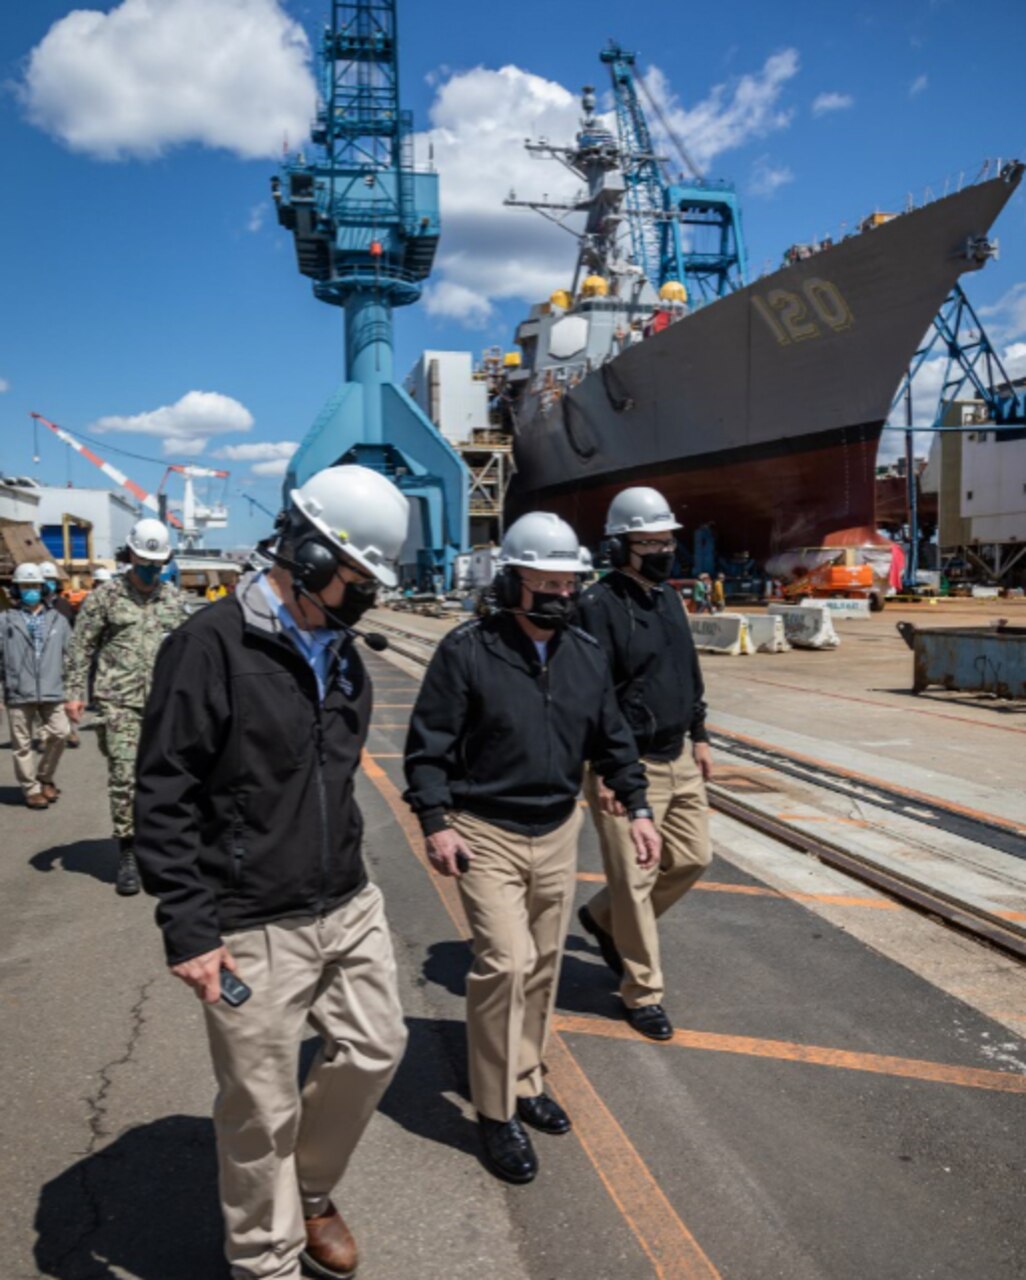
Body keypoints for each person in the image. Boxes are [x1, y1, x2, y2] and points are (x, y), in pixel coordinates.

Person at [134, 465, 411, 1280]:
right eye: (357, 578)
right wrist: (188, 926)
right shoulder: (207, 647)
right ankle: (266, 1259)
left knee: (375, 1051)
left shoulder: (347, 655)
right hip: (249, 917)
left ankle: (312, 1191)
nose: (365, 597)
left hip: (345, 901)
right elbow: (165, 790)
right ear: (307, 554)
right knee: (260, 1109)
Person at [403, 512, 660, 1185]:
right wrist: (436, 820)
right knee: (506, 965)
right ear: (512, 582)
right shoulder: (466, 651)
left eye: (567, 583)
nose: (558, 595)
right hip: (484, 831)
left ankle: (526, 1077)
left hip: (555, 830)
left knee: (543, 965)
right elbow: (426, 747)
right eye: (543, 583)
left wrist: (636, 804)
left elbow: (611, 739)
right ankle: (495, 1113)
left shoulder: (584, 652)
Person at [576, 486, 713, 1042]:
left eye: (666, 540)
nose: (663, 550)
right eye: (649, 542)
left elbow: (688, 671)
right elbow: (591, 692)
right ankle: (643, 992)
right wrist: (608, 768)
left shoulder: (669, 599)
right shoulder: (598, 606)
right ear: (621, 546)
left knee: (693, 858)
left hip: (678, 752)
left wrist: (700, 734)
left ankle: (602, 918)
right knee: (634, 881)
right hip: (625, 763)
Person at [64, 519, 188, 895]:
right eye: (145, 560)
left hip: (165, 706)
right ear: (131, 554)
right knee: (124, 777)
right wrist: (74, 691)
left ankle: (164, 848)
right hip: (119, 702)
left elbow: (192, 651)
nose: (151, 569)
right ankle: (128, 852)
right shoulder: (105, 598)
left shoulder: (174, 600)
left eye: (158, 563)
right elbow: (81, 646)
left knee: (171, 778)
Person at [0, 563, 72, 809]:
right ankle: (31, 789)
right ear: (17, 590)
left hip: (52, 689)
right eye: (25, 586)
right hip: (19, 692)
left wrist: (74, 692)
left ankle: (45, 776)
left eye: (34, 585)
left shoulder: (58, 621)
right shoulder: (5, 620)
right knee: (22, 745)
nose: (30, 590)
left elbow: (71, 657)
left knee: (60, 733)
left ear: (42, 588)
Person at [40, 560, 81, 747]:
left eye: (51, 580)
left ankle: (71, 731)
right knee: (43, 699)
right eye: (45, 580)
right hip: (42, 659)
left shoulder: (64, 604)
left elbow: (74, 629)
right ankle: (45, 734)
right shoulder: (35, 607)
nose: (48, 583)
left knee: (67, 695)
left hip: (63, 657)